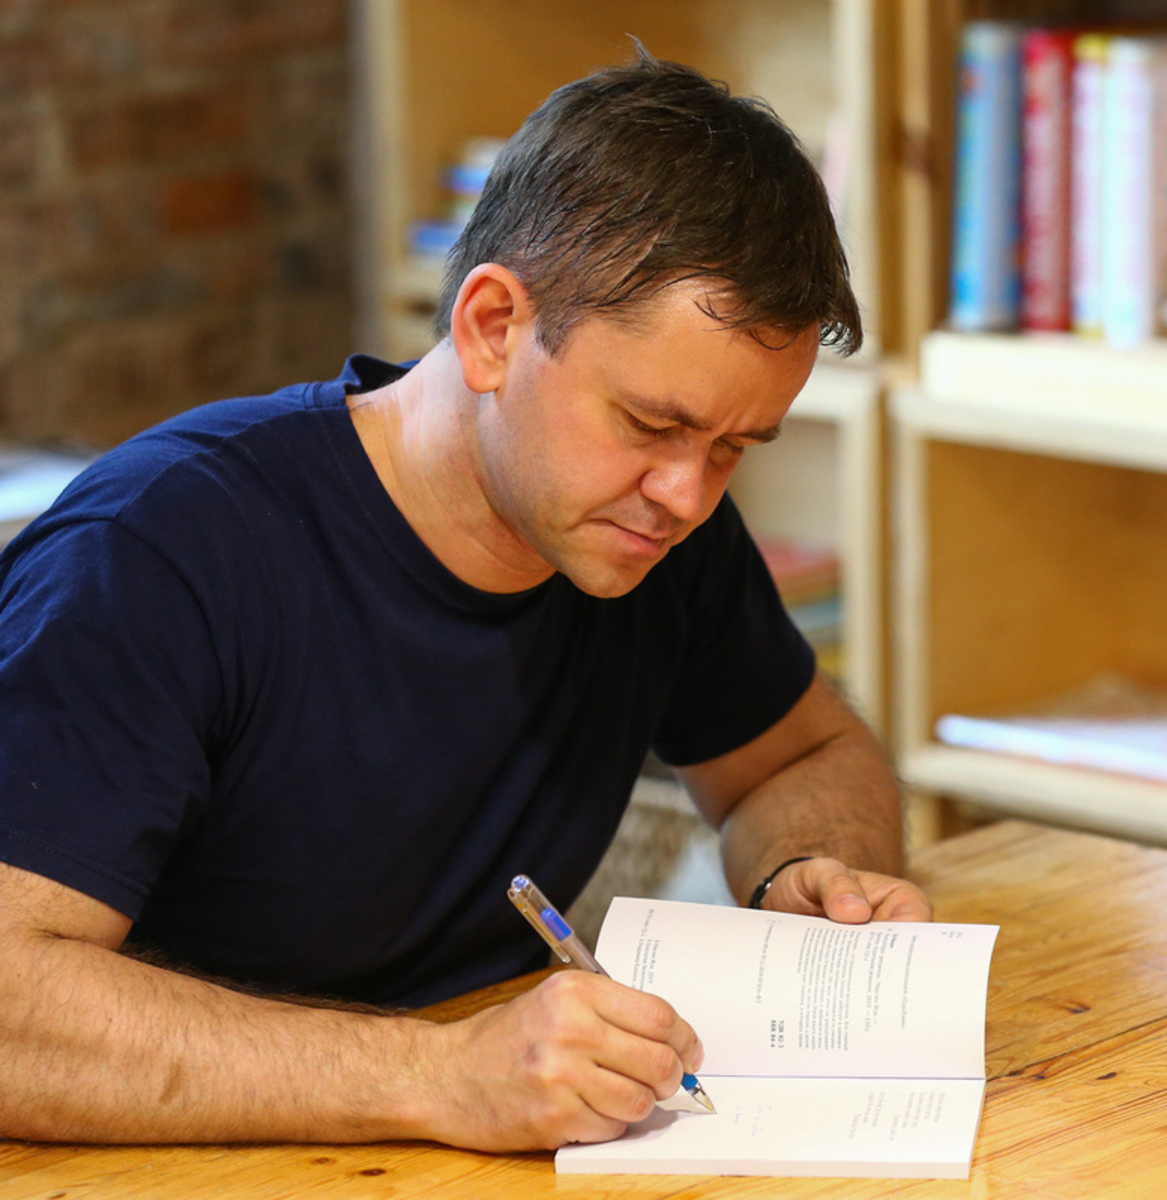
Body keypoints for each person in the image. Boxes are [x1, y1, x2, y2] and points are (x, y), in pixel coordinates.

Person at [0, 52, 930, 1151]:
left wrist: (809, 870)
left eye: (734, 447)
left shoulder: (651, 531)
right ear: (493, 327)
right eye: (651, 424)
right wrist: (435, 1075)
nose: (687, 495)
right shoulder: (155, 553)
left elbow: (801, 756)